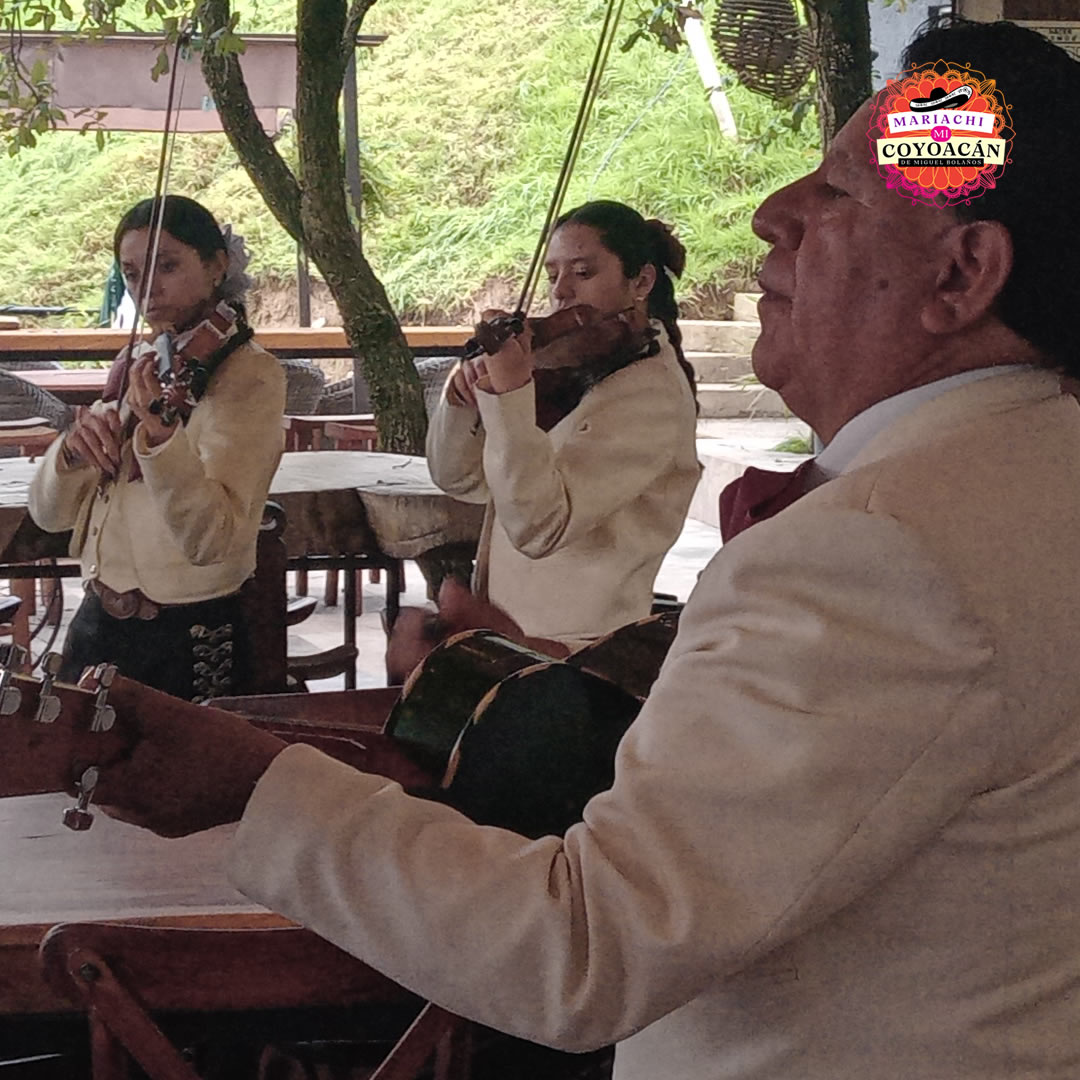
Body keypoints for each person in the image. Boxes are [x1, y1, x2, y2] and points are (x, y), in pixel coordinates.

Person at [86, 16, 1080, 1078]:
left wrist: (256, 784)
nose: (770, 213)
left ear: (961, 275)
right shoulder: (1025, 471)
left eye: (836, 194)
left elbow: (585, 946)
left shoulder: (880, 553)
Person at [388, 200, 700, 678]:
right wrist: (463, 400)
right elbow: (460, 479)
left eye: (583, 272)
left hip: (585, 656)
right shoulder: (569, 367)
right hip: (514, 644)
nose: (561, 292)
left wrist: (511, 395)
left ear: (641, 282)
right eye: (553, 274)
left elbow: (540, 527)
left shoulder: (650, 393)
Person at [29, 195, 285, 702]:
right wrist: (72, 455)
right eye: (130, 272)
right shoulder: (139, 364)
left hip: (187, 635)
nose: (146, 288)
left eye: (166, 266)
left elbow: (213, 541)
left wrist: (164, 442)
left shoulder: (248, 375)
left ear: (216, 267)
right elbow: (51, 518)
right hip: (98, 623)